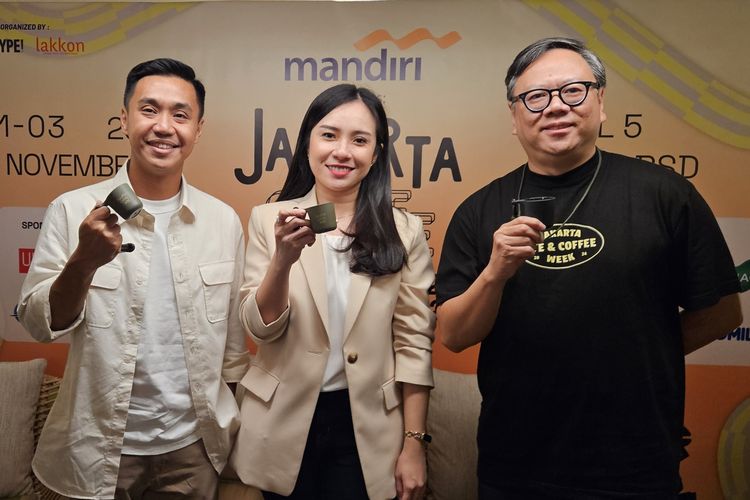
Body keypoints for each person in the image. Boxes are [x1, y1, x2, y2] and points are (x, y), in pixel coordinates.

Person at [435, 37, 742, 499]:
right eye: (536, 97)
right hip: (515, 464)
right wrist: (495, 272)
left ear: (600, 103)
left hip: (636, 462)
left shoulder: (665, 195)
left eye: (573, 91)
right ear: (514, 118)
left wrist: (634, 358)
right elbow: (454, 336)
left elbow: (722, 313)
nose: (555, 107)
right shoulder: (479, 210)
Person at [17, 58, 250, 499]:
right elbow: (38, 324)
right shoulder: (72, 210)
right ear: (123, 119)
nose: (164, 126)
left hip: (194, 451)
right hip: (97, 449)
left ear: (198, 129)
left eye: (180, 114)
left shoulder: (223, 221)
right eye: (149, 110)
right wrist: (83, 262)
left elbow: (233, 353)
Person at [229, 84, 435, 500]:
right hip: (280, 421)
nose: (342, 151)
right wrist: (283, 259)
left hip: (365, 425)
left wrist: (414, 442)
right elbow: (260, 330)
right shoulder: (269, 218)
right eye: (329, 135)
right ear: (307, 142)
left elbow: (414, 342)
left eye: (360, 140)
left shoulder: (404, 230)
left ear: (376, 154)